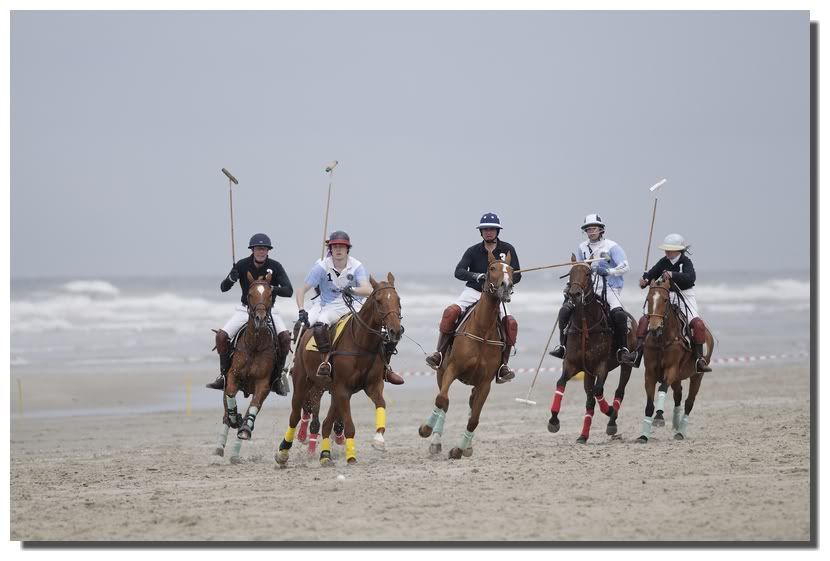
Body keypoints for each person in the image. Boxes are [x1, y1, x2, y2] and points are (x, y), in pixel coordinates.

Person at [294, 230, 404, 384]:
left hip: (354, 306)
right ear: (330, 249)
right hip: (330, 306)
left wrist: (351, 289)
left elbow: (367, 290)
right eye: (335, 246)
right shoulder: (321, 266)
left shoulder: (356, 266)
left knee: (388, 329)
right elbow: (301, 290)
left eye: (342, 246)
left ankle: (385, 367)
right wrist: (301, 309)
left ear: (347, 249)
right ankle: (324, 363)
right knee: (319, 325)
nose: (338, 250)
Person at [425, 212, 521, 384]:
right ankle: (439, 353)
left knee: (510, 323)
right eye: (485, 229)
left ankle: (503, 366)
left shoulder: (508, 249)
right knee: (450, 312)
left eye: (492, 229)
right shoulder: (473, 250)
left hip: (496, 296)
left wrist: (506, 278)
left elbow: (518, 275)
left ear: (497, 231)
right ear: (481, 232)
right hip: (474, 292)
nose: (489, 232)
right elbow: (459, 271)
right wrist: (477, 276)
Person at [207, 233, 294, 395]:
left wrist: (271, 289)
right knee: (221, 336)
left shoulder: (275, 266)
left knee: (285, 338)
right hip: (245, 310)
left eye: (264, 249)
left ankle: (278, 376)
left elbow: (289, 291)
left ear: (268, 251)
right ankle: (224, 375)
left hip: (270, 311)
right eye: (258, 249)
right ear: (252, 250)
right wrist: (231, 279)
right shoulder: (241, 265)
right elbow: (223, 288)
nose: (261, 251)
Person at [549, 213, 636, 364]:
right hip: (588, 287)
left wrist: (609, 271)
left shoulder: (612, 246)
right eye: (588, 229)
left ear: (601, 229)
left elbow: (625, 266)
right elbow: (580, 268)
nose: (591, 232)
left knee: (619, 315)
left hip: (609, 287)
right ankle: (563, 346)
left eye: (594, 228)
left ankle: (623, 349)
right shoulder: (582, 247)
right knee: (565, 310)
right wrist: (572, 284)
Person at [634, 233, 712, 373]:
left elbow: (690, 278)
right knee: (645, 319)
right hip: (666, 296)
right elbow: (651, 274)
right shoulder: (663, 261)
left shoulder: (685, 262)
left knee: (697, 324)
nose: (667, 251)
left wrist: (673, 274)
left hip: (685, 295)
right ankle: (637, 353)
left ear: (679, 250)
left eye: (670, 249)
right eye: (666, 249)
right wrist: (644, 281)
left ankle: (699, 359)